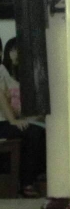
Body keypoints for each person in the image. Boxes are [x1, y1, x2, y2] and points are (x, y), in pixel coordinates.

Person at [0, 36, 47, 197]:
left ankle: (30, 179)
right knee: (33, 132)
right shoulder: (1, 69)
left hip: (6, 121)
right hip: (3, 122)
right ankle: (27, 182)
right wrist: (13, 120)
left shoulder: (9, 72)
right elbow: (1, 96)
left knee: (37, 131)